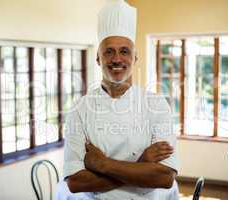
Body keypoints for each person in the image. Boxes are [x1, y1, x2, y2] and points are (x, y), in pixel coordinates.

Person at [56, 0, 179, 199]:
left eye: (124, 51)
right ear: (98, 58)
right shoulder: (80, 109)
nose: (116, 59)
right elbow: (76, 183)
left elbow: (164, 177)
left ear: (135, 58)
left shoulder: (156, 105)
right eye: (109, 51)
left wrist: (102, 164)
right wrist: (141, 164)